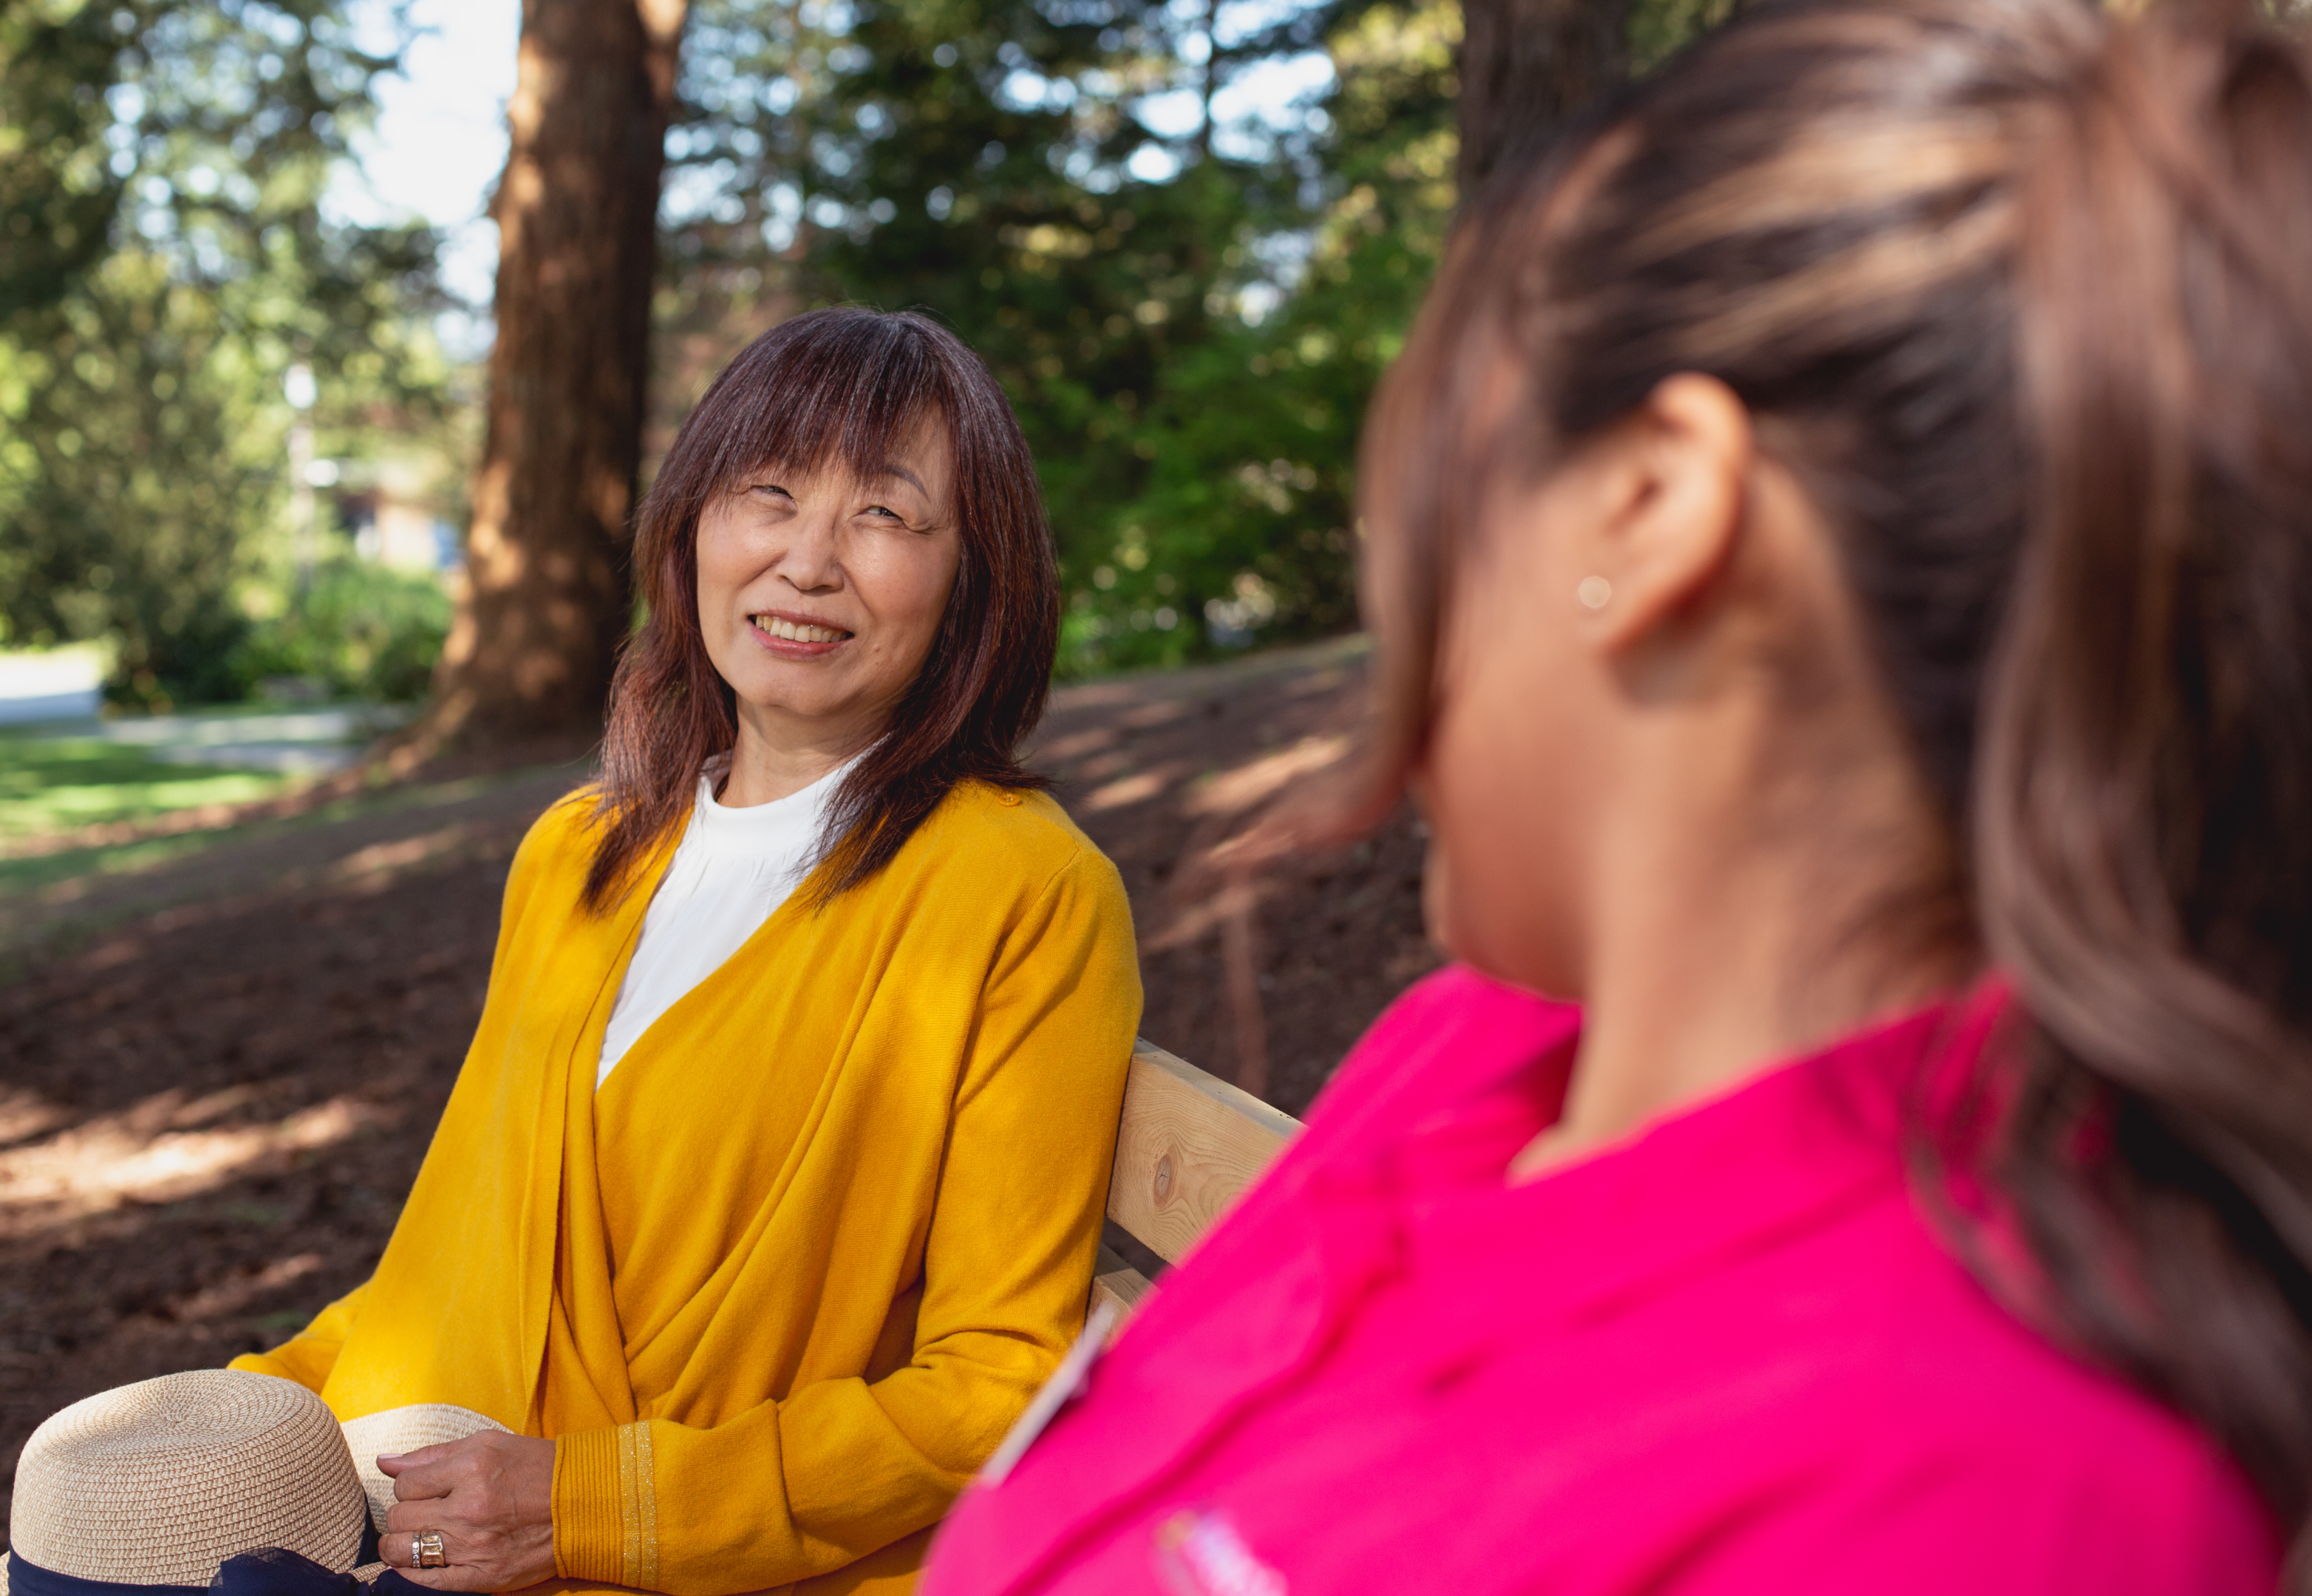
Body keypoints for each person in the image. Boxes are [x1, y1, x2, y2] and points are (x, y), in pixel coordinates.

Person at [923, 0, 2312, 1589]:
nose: (1403, 614)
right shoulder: (1466, 1055)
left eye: (1428, 510)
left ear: (1651, 512)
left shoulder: (1984, 1502)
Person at [233, 307, 1143, 1596]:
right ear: (694, 529)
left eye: (884, 516)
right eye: (767, 494)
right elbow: (471, 1239)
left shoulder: (1021, 887)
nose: (808, 561)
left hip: (705, 1563)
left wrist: (595, 1508)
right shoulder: (580, 852)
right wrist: (251, 1412)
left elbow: (997, 1383)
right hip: (450, 1504)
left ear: (973, 580)